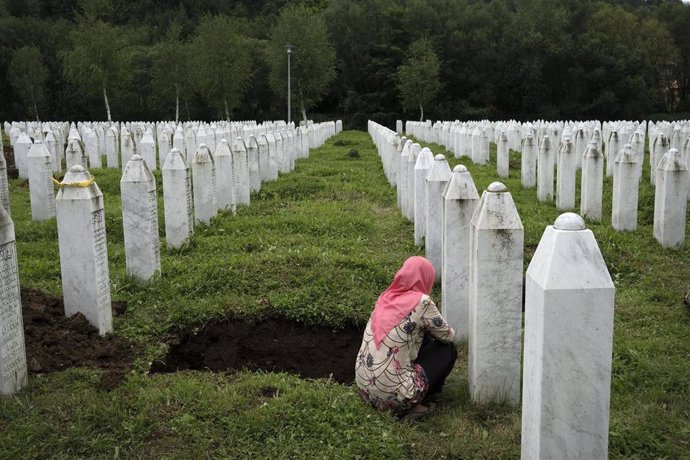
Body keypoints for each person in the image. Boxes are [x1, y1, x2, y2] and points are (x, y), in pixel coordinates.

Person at [355, 256, 457, 419]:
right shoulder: (422, 302)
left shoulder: (385, 297)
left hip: (365, 391)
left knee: (414, 336)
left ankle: (394, 393)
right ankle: (415, 403)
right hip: (395, 398)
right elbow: (448, 336)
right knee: (447, 349)